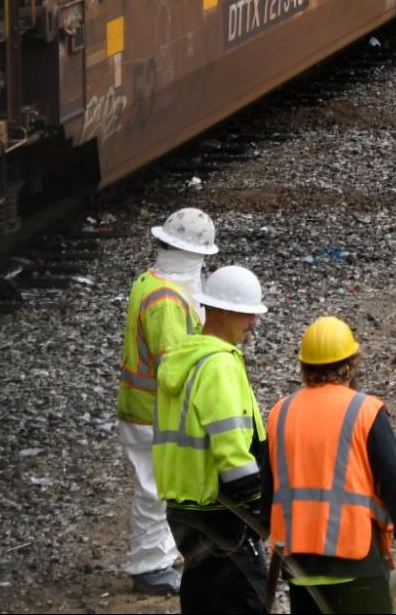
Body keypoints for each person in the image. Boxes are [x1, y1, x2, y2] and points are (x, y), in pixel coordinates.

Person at [266, 317, 396, 614]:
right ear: (351, 364)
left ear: (304, 367)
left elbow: (268, 492)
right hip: (357, 564)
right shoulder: (365, 411)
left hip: (301, 568)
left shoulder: (281, 413)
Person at [155, 265, 271, 615]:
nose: (253, 322)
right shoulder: (219, 366)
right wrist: (259, 506)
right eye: (247, 313)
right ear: (221, 311)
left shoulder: (186, 359)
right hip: (222, 509)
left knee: (202, 594)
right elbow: (231, 449)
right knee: (246, 599)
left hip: (184, 508)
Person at [117, 207, 218, 596]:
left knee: (158, 486)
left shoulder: (152, 283)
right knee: (155, 490)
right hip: (151, 412)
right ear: (193, 255)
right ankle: (149, 567)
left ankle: (159, 556)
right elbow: (175, 364)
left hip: (144, 409)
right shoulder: (166, 300)